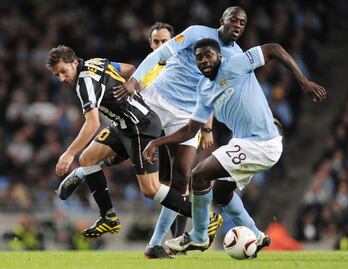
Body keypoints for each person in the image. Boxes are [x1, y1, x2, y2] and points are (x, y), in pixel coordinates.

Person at [143, 38, 326, 254]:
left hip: (261, 143)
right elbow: (191, 130)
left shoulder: (235, 65)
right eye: (199, 57)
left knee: (199, 175)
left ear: (219, 56)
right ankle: (256, 236)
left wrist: (303, 81)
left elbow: (274, 49)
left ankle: (200, 235)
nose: (204, 60)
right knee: (221, 194)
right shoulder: (204, 89)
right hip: (245, 142)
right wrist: (157, 142)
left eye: (208, 55)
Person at [113, 6, 247, 258]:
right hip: (157, 105)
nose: (237, 25)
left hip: (188, 116)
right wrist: (135, 81)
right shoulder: (193, 35)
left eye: (242, 22)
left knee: (182, 177)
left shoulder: (235, 57)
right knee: (136, 167)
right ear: (223, 20)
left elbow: (217, 91)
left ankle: (157, 244)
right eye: (233, 20)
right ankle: (87, 168)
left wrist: (208, 126)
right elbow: (160, 56)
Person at [46, 45, 210, 239]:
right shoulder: (94, 62)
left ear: (74, 62)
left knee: (150, 189)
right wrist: (132, 91)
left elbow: (92, 124)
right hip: (124, 125)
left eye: (63, 71)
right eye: (57, 75)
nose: (62, 78)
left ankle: (206, 218)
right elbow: (130, 69)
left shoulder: (85, 83)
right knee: (88, 158)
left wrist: (69, 153)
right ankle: (108, 217)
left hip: (141, 126)